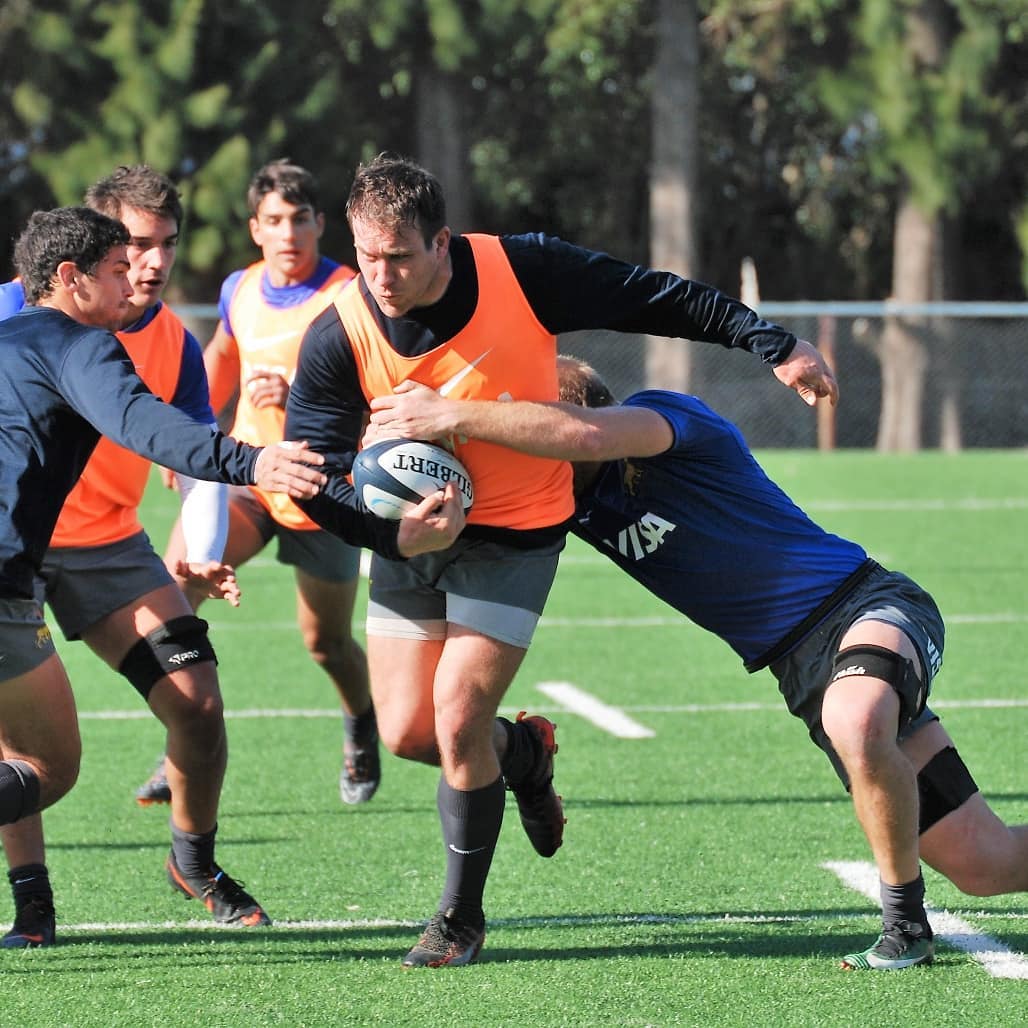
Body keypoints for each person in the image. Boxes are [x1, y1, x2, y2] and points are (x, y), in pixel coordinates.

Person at [283, 153, 838, 968]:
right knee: (406, 731)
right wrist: (394, 535)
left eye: (399, 256)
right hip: (405, 541)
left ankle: (458, 921)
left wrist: (772, 341)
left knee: (459, 717)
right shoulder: (338, 331)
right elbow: (312, 473)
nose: (382, 275)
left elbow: (653, 295)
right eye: (367, 257)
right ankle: (528, 757)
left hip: (517, 530)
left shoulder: (522, 269)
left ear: (443, 241)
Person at [365, 353, 1028, 972]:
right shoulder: (559, 500)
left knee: (856, 720)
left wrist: (464, 415)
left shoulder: (672, 420)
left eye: (540, 434)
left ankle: (905, 926)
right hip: (800, 670)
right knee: (984, 863)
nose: (534, 454)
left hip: (865, 605)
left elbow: (594, 437)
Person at [0, 203, 464, 948]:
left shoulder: (165, 341)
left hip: (103, 549)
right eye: (124, 262)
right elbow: (144, 425)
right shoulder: (79, 340)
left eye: (158, 250)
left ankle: (193, 863)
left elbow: (179, 434)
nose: (143, 274)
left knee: (194, 698)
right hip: (13, 569)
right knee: (44, 766)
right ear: (67, 276)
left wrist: (203, 531)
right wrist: (255, 459)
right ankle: (33, 907)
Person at [145, 159, 377, 809]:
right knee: (173, 593)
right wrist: (184, 440)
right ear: (256, 228)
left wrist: (302, 391)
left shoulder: (350, 295)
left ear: (320, 224)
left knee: (325, 642)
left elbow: (375, 391)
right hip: (246, 474)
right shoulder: (239, 289)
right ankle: (180, 750)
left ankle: (361, 723)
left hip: (322, 488)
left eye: (300, 219)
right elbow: (219, 362)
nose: (288, 233)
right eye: (274, 220)